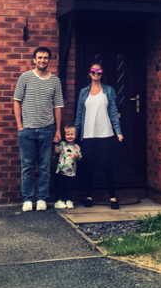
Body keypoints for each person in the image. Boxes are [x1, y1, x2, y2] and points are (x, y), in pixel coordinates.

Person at [13, 47, 63, 212]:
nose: (42, 60)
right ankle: (27, 199)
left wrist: (57, 130)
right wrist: (20, 126)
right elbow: (17, 101)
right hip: (27, 129)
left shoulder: (55, 81)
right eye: (40, 57)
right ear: (34, 59)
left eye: (45, 58)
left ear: (49, 60)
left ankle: (42, 198)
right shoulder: (25, 78)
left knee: (44, 166)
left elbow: (57, 106)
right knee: (27, 166)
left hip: (47, 129)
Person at [74, 62, 123, 209]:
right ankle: (88, 197)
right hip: (88, 135)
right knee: (88, 167)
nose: (96, 73)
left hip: (106, 135)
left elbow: (113, 112)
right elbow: (79, 114)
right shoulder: (83, 92)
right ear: (89, 73)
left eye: (99, 71)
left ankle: (113, 198)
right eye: (93, 71)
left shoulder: (109, 90)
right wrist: (76, 132)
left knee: (107, 166)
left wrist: (118, 131)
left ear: (102, 74)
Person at [53, 125, 81, 209]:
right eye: (68, 134)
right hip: (62, 170)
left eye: (72, 134)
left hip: (72, 171)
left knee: (70, 186)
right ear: (65, 136)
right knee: (61, 186)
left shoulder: (77, 147)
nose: (70, 136)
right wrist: (56, 143)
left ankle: (69, 200)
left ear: (75, 135)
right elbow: (57, 151)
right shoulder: (63, 144)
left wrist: (77, 157)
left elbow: (80, 158)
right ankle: (59, 200)